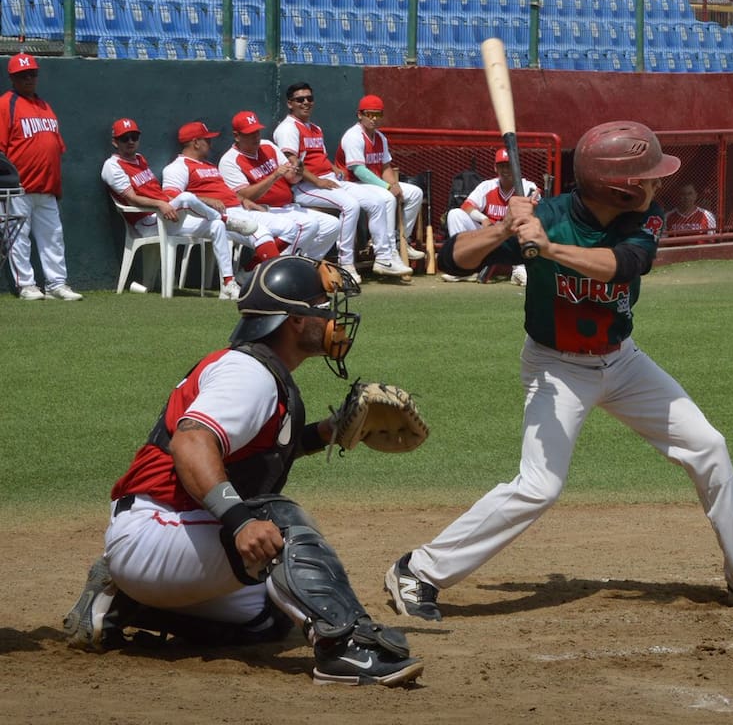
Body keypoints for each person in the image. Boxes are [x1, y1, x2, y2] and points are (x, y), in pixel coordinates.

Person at [384, 120, 733, 623]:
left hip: (624, 362)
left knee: (708, 446)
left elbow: (626, 265)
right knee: (538, 486)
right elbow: (454, 263)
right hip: (557, 367)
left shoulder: (645, 218)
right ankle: (419, 570)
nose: (658, 185)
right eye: (649, 177)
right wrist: (505, 228)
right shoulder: (546, 216)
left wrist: (546, 249)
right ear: (620, 186)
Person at [62, 255, 424, 687]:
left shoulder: (259, 370)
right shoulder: (248, 373)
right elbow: (191, 441)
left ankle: (124, 603)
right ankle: (348, 649)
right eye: (322, 307)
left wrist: (326, 432)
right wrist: (238, 522)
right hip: (157, 529)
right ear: (293, 320)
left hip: (170, 540)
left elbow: (249, 456)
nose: (332, 318)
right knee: (277, 521)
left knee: (273, 614)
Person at [102, 118, 260, 299]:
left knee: (216, 226)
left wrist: (163, 204)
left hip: (166, 216)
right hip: (146, 222)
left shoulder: (139, 159)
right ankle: (227, 220)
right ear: (115, 142)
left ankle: (228, 284)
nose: (130, 141)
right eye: (125, 138)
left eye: (134, 137)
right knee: (185, 197)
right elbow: (131, 198)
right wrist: (160, 204)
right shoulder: (112, 166)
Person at [272, 82, 410, 281]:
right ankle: (346, 263)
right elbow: (293, 164)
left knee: (379, 201)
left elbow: (317, 157)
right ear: (290, 104)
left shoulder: (315, 128)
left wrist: (333, 168)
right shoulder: (288, 129)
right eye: (300, 99)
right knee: (350, 205)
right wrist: (318, 181)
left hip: (327, 180)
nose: (306, 103)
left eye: (309, 99)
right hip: (304, 186)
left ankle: (384, 258)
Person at [1, 53, 81, 300]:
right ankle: (26, 286)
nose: (28, 78)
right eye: (22, 75)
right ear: (12, 78)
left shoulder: (44, 105)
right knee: (18, 238)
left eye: (32, 74)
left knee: (53, 238)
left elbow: (55, 145)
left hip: (47, 187)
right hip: (18, 188)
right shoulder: (6, 104)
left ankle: (57, 284)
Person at [163, 122, 286, 271]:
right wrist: (206, 200)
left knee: (289, 228)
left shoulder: (208, 165)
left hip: (239, 209)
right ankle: (278, 278)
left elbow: (225, 192)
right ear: (195, 142)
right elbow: (173, 198)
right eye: (207, 140)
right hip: (217, 216)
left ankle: (247, 275)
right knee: (260, 232)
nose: (211, 143)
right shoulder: (178, 167)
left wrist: (244, 200)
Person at [217, 110, 340, 260]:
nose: (256, 137)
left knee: (332, 225)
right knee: (308, 225)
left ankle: (308, 263)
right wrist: (274, 176)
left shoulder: (267, 146)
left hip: (287, 208)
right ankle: (267, 267)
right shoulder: (229, 160)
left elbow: (291, 178)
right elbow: (244, 196)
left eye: (257, 132)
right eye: (249, 134)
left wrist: (298, 170)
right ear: (237, 136)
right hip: (262, 211)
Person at [334, 94, 426, 263]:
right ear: (360, 114)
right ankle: (387, 250)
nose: (374, 119)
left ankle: (400, 241)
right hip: (352, 183)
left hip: (374, 184)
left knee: (415, 193)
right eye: (369, 114)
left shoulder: (380, 137)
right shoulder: (353, 136)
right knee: (387, 197)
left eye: (378, 115)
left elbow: (385, 167)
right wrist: (388, 188)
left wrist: (394, 184)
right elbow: (359, 171)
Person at [442, 147, 540, 285]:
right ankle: (463, 268)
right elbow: (466, 206)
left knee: (526, 223)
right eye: (501, 166)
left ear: (516, 167)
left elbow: (536, 210)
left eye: (508, 165)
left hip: (513, 237)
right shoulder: (487, 186)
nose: (505, 170)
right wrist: (484, 219)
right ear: (495, 168)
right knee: (455, 214)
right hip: (490, 235)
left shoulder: (527, 186)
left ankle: (519, 269)